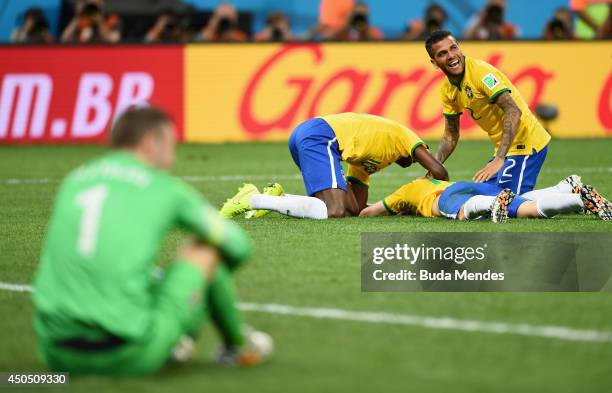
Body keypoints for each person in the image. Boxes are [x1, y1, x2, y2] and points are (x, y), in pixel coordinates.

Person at [33, 107, 272, 375]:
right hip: (129, 353)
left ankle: (178, 337)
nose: (173, 155)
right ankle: (235, 346)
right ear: (150, 142)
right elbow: (239, 247)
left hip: (55, 354)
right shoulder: (164, 189)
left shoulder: (75, 180)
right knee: (204, 250)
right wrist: (191, 299)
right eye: (170, 143)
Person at [220, 112, 448, 219]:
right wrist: (422, 188)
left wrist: (394, 207)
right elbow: (440, 171)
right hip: (321, 136)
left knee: (332, 207)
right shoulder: (404, 136)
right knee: (334, 210)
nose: (413, 162)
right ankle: (253, 199)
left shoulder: (372, 160)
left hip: (312, 136)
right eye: (418, 156)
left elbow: (357, 208)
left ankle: (277, 196)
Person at [425, 30, 551, 195]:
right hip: (506, 149)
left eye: (453, 48)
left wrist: (499, 158)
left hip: (526, 144)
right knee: (483, 199)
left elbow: (513, 111)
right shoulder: (447, 90)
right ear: (434, 62)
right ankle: (567, 193)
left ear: (460, 49)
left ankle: (570, 193)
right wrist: (434, 167)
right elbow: (451, 135)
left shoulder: (482, 74)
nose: (451, 55)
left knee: (505, 202)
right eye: (442, 53)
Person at [360, 175, 612, 223]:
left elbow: (370, 212)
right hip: (470, 185)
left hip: (449, 198)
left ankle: (491, 206)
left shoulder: (407, 191)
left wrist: (364, 207)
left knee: (462, 213)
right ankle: (572, 193)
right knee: (526, 206)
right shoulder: (435, 181)